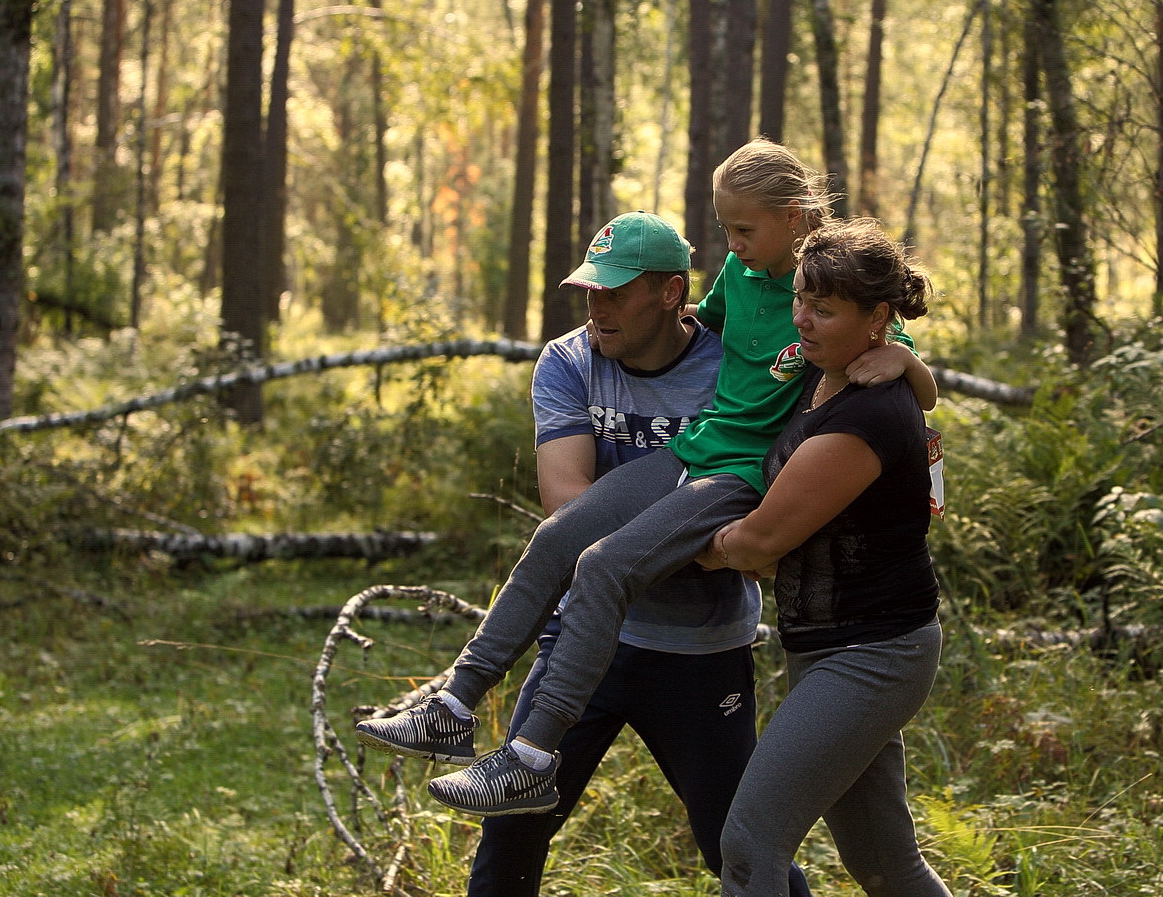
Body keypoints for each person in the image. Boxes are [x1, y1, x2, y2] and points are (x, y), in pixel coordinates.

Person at [357, 139, 937, 819]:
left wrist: (909, 364)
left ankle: (532, 759)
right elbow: (706, 321)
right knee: (558, 538)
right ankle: (453, 707)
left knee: (603, 567)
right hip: (695, 449)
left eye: (744, 229)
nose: (732, 243)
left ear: (794, 216)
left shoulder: (823, 292)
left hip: (741, 474)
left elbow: (889, 355)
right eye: (725, 228)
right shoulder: (740, 274)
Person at [468, 210, 812, 897]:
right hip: (581, 640)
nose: (597, 308)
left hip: (702, 648)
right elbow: (567, 508)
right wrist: (701, 544)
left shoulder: (736, 365)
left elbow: (767, 519)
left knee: (736, 849)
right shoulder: (569, 361)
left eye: (616, 292)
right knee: (511, 835)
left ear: (669, 292)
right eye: (589, 291)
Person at [704, 218, 950, 897]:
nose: (802, 320)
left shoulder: (869, 416)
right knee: (883, 865)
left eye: (824, 309)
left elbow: (760, 543)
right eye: (800, 300)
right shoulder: (822, 373)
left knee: (749, 845)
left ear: (878, 319)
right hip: (826, 645)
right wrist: (908, 361)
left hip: (873, 653)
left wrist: (677, 548)